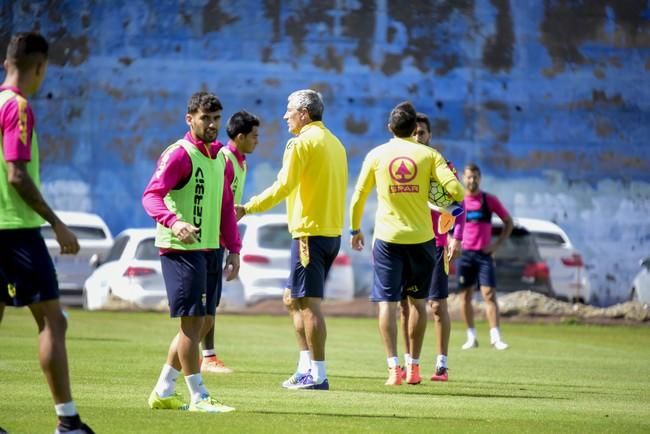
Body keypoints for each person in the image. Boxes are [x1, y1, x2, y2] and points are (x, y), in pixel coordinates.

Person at [0, 32, 94, 434]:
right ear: (39, 67)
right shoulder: (18, 108)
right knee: (53, 322)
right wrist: (56, 222)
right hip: (16, 231)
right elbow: (16, 174)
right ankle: (68, 421)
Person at [236, 89, 347, 390]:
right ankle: (305, 368)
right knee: (292, 299)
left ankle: (318, 375)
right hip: (329, 233)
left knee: (308, 304)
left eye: (289, 111)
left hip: (309, 234)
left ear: (304, 114)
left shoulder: (300, 144)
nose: (285, 116)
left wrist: (248, 207)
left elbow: (283, 186)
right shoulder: (336, 144)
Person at [349, 102, 464, 386]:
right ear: (415, 129)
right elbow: (458, 192)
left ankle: (393, 368)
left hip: (388, 239)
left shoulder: (376, 154)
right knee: (418, 304)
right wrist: (440, 196)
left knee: (387, 304)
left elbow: (358, 196)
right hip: (423, 241)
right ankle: (414, 368)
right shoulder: (430, 155)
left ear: (390, 128)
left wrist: (355, 229)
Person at [142, 91, 241, 412]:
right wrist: (174, 223)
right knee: (192, 323)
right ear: (190, 119)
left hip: (211, 249)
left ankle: (163, 390)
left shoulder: (222, 158)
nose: (212, 125)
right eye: (205, 119)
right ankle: (198, 396)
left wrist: (234, 249)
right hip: (181, 250)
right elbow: (151, 196)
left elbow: (227, 207)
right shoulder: (179, 155)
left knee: (204, 322)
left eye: (216, 119)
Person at [201, 110, 259, 374]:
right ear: (240, 136)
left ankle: (206, 355)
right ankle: (207, 357)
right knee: (206, 300)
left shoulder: (242, 162)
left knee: (212, 300)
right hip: (210, 237)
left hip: (222, 237)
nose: (258, 140)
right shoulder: (224, 159)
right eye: (254, 136)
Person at [407, 112, 462, 381]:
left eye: (422, 133)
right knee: (405, 306)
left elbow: (457, 205)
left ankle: (441, 364)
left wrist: (456, 236)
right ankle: (409, 363)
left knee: (437, 306)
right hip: (408, 240)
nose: (418, 137)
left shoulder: (442, 166)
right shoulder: (403, 167)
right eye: (414, 133)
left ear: (430, 136)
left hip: (437, 243)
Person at [453, 163, 513, 350]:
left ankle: (495, 337)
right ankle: (471, 336)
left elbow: (508, 222)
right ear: (463, 178)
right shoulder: (457, 201)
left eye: (475, 177)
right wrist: (451, 242)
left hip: (484, 255)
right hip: (465, 255)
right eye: (469, 177)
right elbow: (444, 225)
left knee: (489, 294)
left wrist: (496, 245)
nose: (472, 180)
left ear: (480, 178)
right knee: (465, 297)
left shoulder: (489, 200)